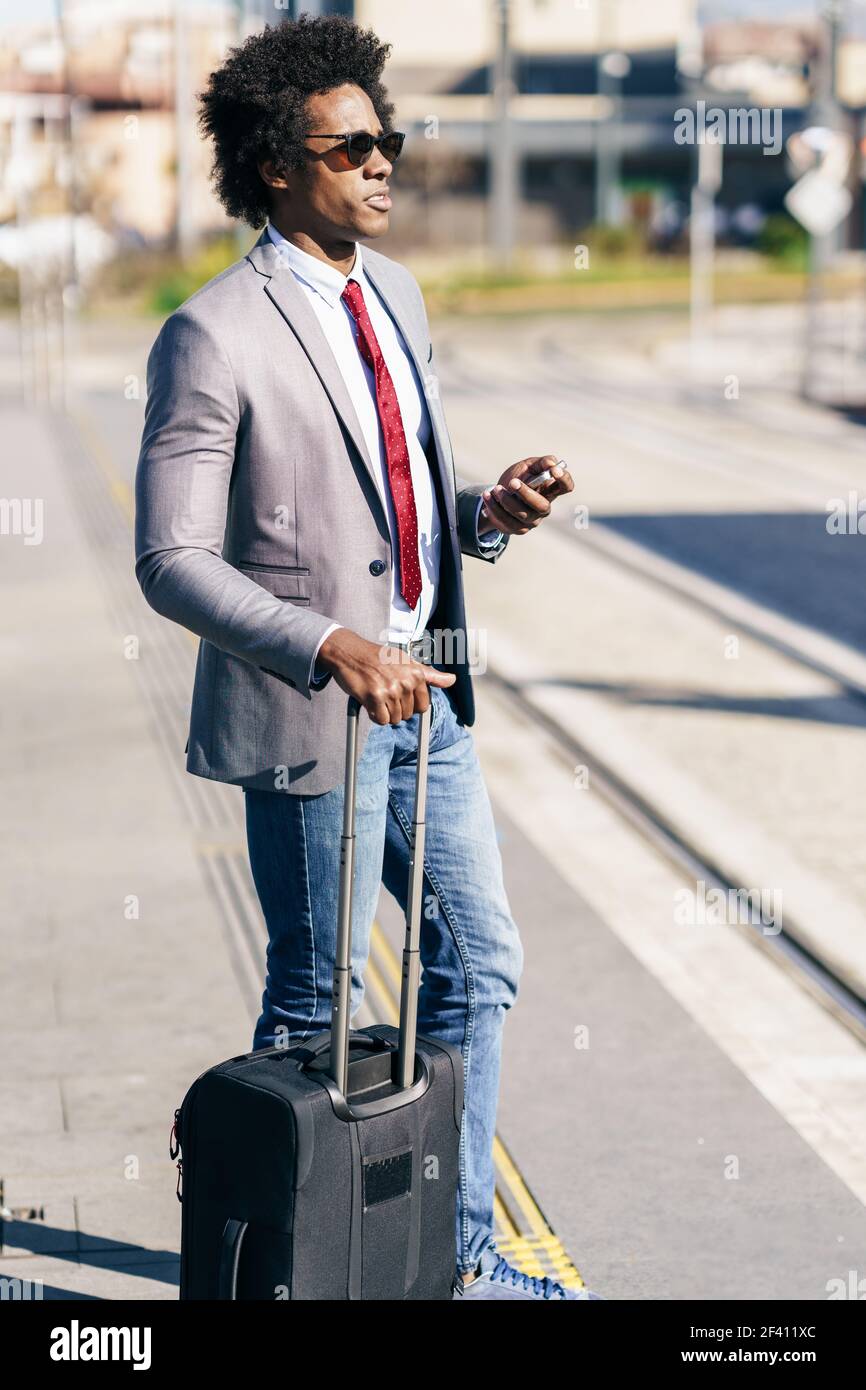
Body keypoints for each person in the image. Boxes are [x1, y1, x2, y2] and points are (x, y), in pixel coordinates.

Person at [134, 13, 595, 1301]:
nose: (385, 163)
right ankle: (306, 1267)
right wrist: (329, 645)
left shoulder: (394, 293)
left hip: (428, 705)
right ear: (282, 162)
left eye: (390, 139)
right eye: (356, 146)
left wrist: (483, 515)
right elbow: (170, 561)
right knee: (312, 1008)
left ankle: (456, 1265)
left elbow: (392, 507)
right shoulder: (213, 333)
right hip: (310, 721)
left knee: (479, 959)